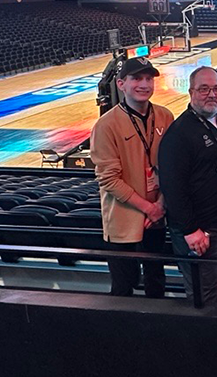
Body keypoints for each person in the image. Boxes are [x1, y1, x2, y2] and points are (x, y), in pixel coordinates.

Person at [90, 56, 173, 297]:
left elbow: (172, 167)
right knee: (123, 287)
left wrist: (160, 205)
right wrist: (149, 207)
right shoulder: (106, 126)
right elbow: (109, 179)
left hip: (156, 218)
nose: (144, 84)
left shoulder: (165, 116)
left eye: (149, 79)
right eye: (136, 78)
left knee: (156, 282)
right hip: (123, 221)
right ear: (121, 84)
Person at [158, 66, 217, 306]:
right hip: (198, 229)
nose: (211, 94)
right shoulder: (179, 133)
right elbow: (173, 186)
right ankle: (204, 339)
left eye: (216, 88)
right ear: (191, 92)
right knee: (204, 295)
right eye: (204, 89)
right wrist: (190, 229)